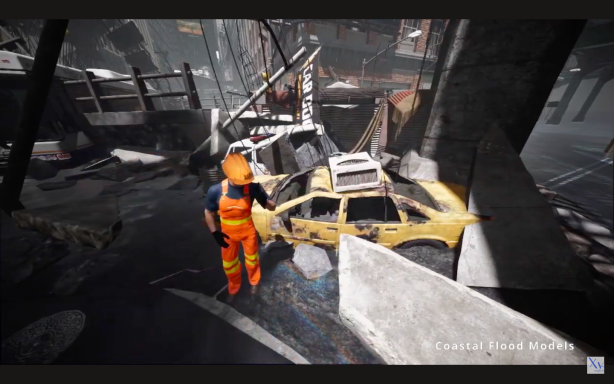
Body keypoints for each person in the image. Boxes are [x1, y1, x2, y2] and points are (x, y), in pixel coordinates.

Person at [203, 153, 276, 297]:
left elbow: (270, 206)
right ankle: (234, 287)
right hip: (227, 233)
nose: (244, 185)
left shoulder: (253, 187)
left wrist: (270, 203)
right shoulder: (216, 191)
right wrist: (214, 232)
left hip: (247, 231)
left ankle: (254, 282)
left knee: (252, 259)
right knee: (229, 264)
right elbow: (208, 212)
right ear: (229, 175)